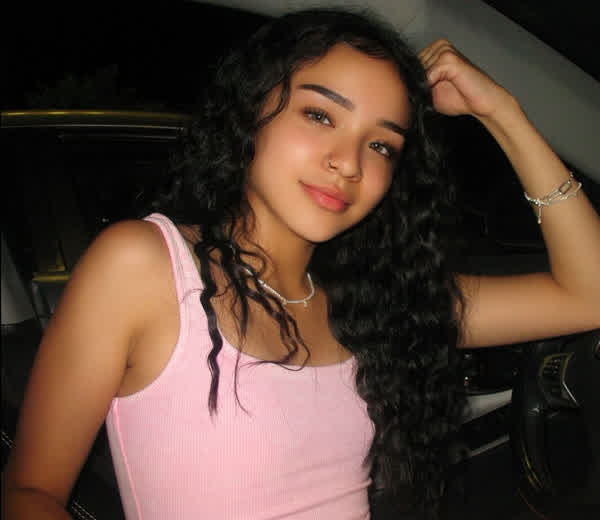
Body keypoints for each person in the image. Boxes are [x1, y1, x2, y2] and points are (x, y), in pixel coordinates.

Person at [2, 7, 599, 520]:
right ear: (251, 111)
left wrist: (502, 112)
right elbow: (30, 493)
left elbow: (588, 295)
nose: (349, 162)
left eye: (381, 144)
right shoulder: (146, 265)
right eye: (320, 115)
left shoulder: (372, 301)